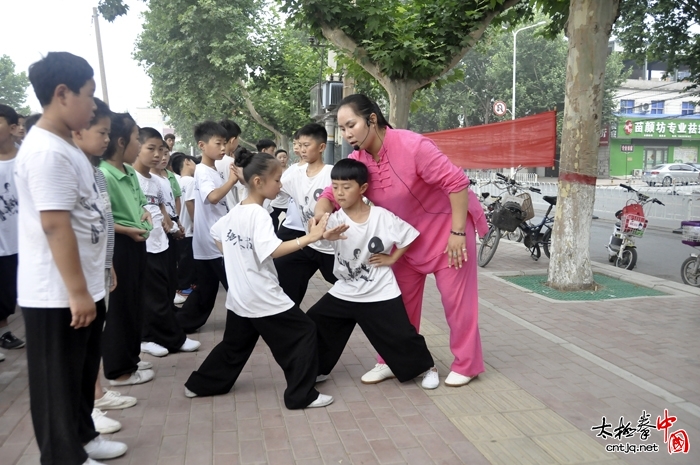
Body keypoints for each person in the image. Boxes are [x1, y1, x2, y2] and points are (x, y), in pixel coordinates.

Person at [315, 94, 488, 387]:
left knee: (457, 304)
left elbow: (456, 183)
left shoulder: (413, 145)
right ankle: (392, 361)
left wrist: (458, 233)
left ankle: (467, 364)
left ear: (372, 119)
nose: (346, 134)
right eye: (342, 128)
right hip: (404, 242)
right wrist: (320, 213)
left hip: (447, 234)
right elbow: (332, 193)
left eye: (351, 125)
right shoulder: (360, 160)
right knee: (397, 306)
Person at [15, 51, 127, 465]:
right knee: (56, 381)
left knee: (81, 372)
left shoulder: (67, 148)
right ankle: (62, 456)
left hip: (83, 286)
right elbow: (55, 225)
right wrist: (77, 292)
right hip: (55, 292)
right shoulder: (46, 151)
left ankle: (84, 435)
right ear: (62, 94)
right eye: (88, 95)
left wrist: (94, 281)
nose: (94, 105)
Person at [184, 151, 343, 409]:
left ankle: (200, 385)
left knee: (235, 344)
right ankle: (301, 395)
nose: (280, 185)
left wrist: (238, 257)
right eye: (277, 180)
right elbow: (273, 250)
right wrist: (311, 239)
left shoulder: (239, 209)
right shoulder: (258, 214)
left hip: (241, 296)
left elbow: (217, 234)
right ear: (258, 181)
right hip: (262, 295)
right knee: (304, 332)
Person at [306, 159, 439, 389]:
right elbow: (316, 232)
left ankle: (428, 368)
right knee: (314, 322)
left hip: (379, 290)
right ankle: (318, 369)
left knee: (401, 336)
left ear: (363, 189)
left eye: (346, 187)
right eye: (335, 186)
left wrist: (393, 258)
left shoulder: (381, 217)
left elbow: (409, 235)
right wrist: (323, 235)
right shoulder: (334, 219)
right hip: (345, 291)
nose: (339, 193)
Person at [72, 98, 138, 435]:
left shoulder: (95, 173)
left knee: (92, 341)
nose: (106, 139)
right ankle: (86, 408)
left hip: (100, 266)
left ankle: (96, 394)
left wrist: (107, 261)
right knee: (76, 349)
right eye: (102, 132)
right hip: (76, 277)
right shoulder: (64, 167)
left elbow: (103, 222)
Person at [100, 112, 156, 387]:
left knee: (135, 303)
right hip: (119, 245)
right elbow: (103, 218)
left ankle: (131, 357)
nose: (138, 143)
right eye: (137, 138)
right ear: (121, 141)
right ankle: (118, 370)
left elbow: (139, 203)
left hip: (137, 243)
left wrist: (143, 213)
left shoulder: (129, 170)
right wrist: (127, 229)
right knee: (120, 307)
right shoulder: (103, 174)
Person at [133, 127, 199, 357]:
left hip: (163, 242)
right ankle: (157, 338)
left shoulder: (159, 182)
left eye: (161, 150)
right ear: (135, 147)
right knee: (154, 297)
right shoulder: (131, 179)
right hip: (143, 245)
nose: (157, 155)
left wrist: (174, 226)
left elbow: (164, 210)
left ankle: (156, 335)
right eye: (150, 149)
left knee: (166, 291)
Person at [175, 121, 235, 333]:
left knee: (206, 291)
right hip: (213, 243)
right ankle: (249, 322)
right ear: (201, 145)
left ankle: (180, 324)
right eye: (218, 143)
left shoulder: (213, 169)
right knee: (236, 284)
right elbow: (212, 197)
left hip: (210, 242)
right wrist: (232, 180)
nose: (222, 148)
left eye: (225, 143)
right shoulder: (202, 171)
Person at [273, 123, 336, 306]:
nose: (301, 150)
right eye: (299, 145)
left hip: (334, 249)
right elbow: (273, 189)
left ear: (322, 147)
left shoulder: (332, 173)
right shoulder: (295, 174)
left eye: (307, 145)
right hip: (311, 244)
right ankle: (290, 320)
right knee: (284, 271)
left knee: (354, 288)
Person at [0, 104, 24, 358]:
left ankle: (5, 331)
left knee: (11, 292)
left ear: (14, 127)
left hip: (23, 240)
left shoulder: (26, 158)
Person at [172, 153, 198, 296]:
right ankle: (184, 287)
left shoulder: (177, 182)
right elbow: (189, 202)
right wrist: (195, 221)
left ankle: (183, 285)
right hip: (189, 226)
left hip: (181, 226)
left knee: (183, 258)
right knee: (187, 259)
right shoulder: (191, 182)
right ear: (187, 162)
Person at [276, 133, 307, 242]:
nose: (297, 147)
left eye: (303, 144)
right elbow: (279, 188)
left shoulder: (321, 171)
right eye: (295, 143)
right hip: (291, 223)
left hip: (305, 225)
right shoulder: (292, 169)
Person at [214, 119, 243, 209]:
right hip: (231, 210)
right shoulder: (232, 163)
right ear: (233, 140)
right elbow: (242, 190)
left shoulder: (211, 162)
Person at [269, 148, 290, 232]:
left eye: (284, 157)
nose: (282, 159)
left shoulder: (291, 170)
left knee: (289, 221)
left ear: (287, 158)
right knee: (273, 220)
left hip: (288, 202)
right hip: (276, 202)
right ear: (276, 158)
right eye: (280, 157)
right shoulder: (272, 171)